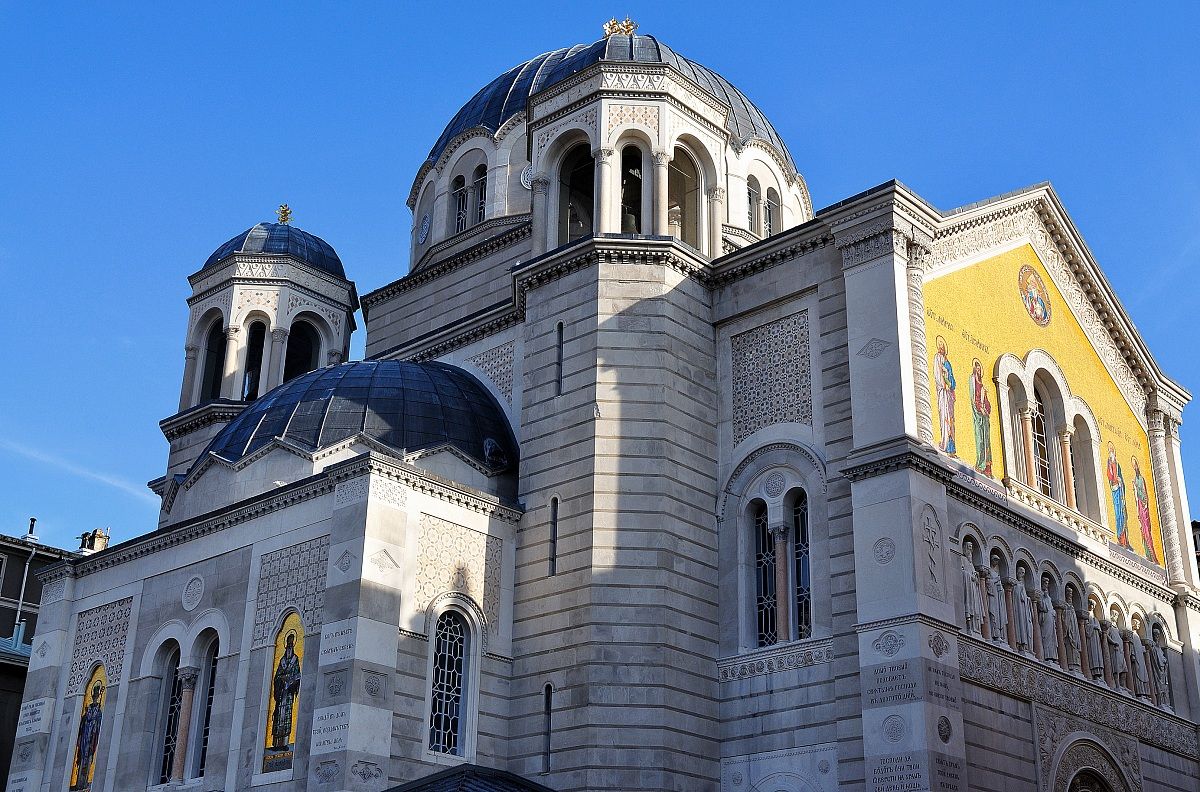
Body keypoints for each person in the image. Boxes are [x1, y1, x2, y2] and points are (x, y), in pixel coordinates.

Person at [270, 632, 302, 752]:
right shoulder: (282, 660)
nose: (289, 646)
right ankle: (276, 743)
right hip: (282, 691)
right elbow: (277, 675)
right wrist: (280, 679)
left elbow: (298, 674)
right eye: (288, 644)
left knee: (287, 716)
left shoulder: (295, 659)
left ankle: (284, 743)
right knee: (278, 716)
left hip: (288, 692)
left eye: (291, 644)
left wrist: (292, 681)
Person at [72, 681, 104, 791]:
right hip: (86, 735)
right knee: (82, 757)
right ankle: (79, 783)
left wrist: (95, 722)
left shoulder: (98, 711)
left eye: (96, 696)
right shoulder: (88, 709)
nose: (95, 698)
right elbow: (83, 722)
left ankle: (86, 781)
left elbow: (99, 721)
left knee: (89, 757)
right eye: (94, 696)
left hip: (92, 736)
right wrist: (86, 718)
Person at [1132, 460, 1158, 563]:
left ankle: (1151, 554)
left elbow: (1143, 493)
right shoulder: (1135, 479)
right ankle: (1147, 553)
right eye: (1133, 466)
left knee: (1146, 529)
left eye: (1135, 466)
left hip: (1144, 508)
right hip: (1140, 507)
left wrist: (1144, 502)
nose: (1135, 468)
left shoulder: (1141, 479)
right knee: (1142, 529)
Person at [934, 337, 956, 455]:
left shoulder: (947, 362)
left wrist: (950, 382)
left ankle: (951, 447)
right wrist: (943, 384)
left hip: (948, 395)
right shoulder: (937, 359)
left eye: (943, 347)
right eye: (940, 347)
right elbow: (937, 375)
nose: (941, 349)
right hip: (942, 393)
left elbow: (951, 377)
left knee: (951, 420)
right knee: (944, 417)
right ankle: (945, 442)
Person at [1107, 445, 1130, 549]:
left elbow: (1120, 477)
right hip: (1114, 491)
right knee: (1118, 515)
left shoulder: (1117, 464)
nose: (1111, 453)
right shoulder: (1109, 463)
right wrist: (1114, 480)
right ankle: (1120, 537)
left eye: (1112, 451)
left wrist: (1120, 481)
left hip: (1120, 491)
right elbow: (1109, 476)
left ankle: (1125, 539)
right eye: (1110, 451)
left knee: (1123, 514)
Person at [961, 539, 985, 635]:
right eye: (969, 547)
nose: (970, 550)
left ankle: (977, 629)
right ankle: (969, 626)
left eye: (971, 548)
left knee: (976, 608)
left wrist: (975, 576)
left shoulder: (971, 564)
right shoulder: (962, 559)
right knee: (970, 607)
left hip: (974, 588)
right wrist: (970, 576)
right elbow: (962, 572)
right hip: (969, 587)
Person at [1013, 568, 1035, 655]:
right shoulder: (1016, 585)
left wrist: (1027, 599)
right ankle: (1021, 645)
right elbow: (1017, 597)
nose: (1022, 574)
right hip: (1019, 611)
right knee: (1021, 625)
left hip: (1025, 611)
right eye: (1020, 572)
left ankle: (1028, 647)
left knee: (1028, 627)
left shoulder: (1022, 586)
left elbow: (1024, 598)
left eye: (1023, 573)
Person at [1037, 577, 1059, 663]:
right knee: (1046, 637)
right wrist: (1045, 597)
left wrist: (1053, 612)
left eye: (1047, 583)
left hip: (1051, 618)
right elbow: (1042, 607)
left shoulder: (1048, 596)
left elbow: (1051, 608)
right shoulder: (1041, 595)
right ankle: (1046, 655)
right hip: (1045, 618)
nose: (1046, 585)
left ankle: (1053, 656)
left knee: (1052, 638)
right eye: (1045, 583)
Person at [986, 557, 1007, 644]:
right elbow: (988, 583)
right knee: (993, 615)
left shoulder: (997, 573)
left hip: (999, 599)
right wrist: (995, 581)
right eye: (995, 560)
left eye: (998, 561)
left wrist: (1001, 589)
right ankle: (993, 635)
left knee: (999, 617)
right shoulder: (989, 571)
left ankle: (1000, 635)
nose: (996, 562)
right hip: (992, 597)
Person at [1086, 603, 1106, 682]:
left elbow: (1101, 632)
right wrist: (1093, 627)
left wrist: (1099, 630)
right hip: (1091, 640)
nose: (1092, 606)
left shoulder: (1096, 619)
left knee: (1098, 657)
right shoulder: (1087, 615)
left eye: (1093, 605)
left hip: (1097, 640)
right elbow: (1086, 627)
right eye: (1090, 604)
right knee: (1093, 655)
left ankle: (1100, 674)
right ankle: (1094, 674)